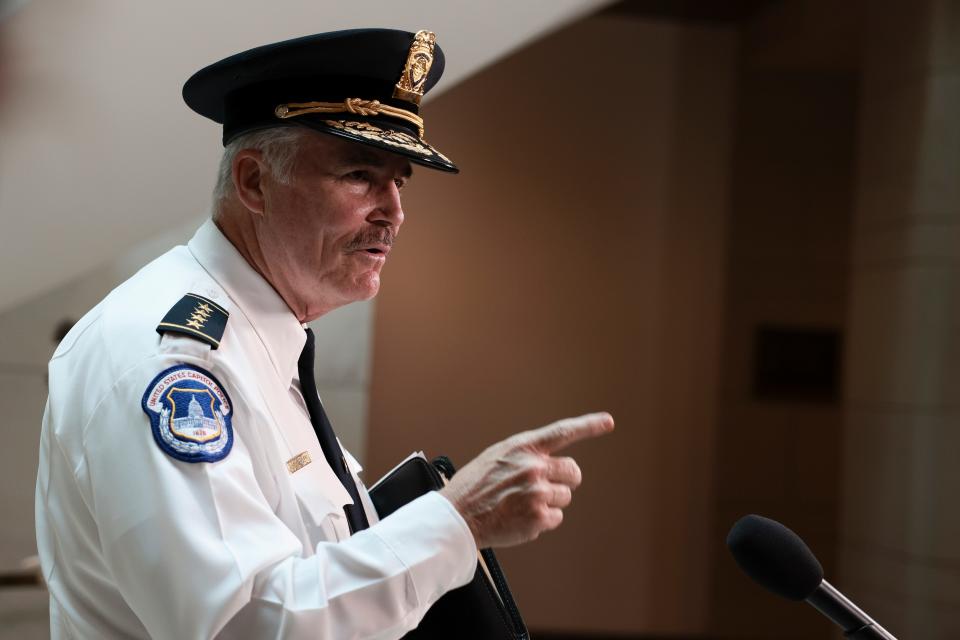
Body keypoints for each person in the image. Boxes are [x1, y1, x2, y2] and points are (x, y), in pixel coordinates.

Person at [35, 28, 614, 639]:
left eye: (400, 182)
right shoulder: (172, 358)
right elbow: (243, 623)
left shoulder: (262, 338)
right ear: (254, 182)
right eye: (361, 175)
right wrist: (458, 520)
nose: (392, 211)